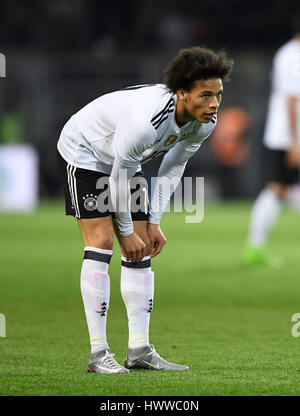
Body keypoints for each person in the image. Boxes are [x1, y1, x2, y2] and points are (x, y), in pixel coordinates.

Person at [57, 46, 233, 374]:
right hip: (85, 150)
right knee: (103, 242)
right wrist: (124, 232)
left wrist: (153, 222)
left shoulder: (204, 121)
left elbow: (172, 167)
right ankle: (98, 353)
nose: (214, 104)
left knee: (143, 246)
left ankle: (139, 349)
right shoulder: (145, 123)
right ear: (182, 94)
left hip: (125, 159)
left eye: (219, 95)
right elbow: (118, 178)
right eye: (205, 95)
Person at [242, 23, 300, 267]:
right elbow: (291, 98)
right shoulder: (292, 55)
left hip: (287, 135)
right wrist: (295, 141)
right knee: (278, 187)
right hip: (286, 136)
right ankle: (254, 246)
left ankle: (255, 246)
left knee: (283, 188)